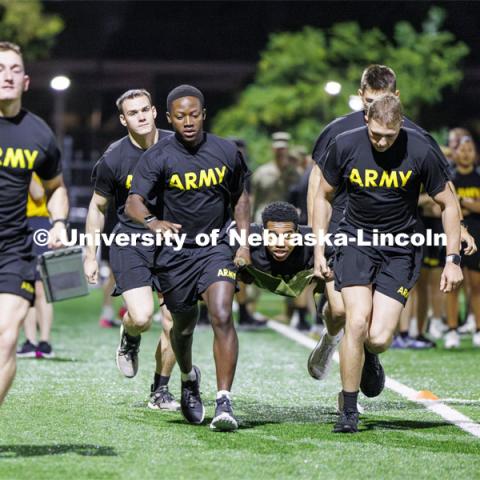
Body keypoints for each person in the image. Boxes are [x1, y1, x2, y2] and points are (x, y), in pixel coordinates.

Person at [306, 64, 476, 377]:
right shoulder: (338, 131)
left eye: (383, 100)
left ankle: (366, 354)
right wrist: (318, 239)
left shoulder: (415, 137)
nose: (376, 107)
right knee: (342, 310)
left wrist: (460, 229)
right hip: (344, 227)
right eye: (369, 102)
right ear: (360, 97)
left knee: (368, 323)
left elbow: (444, 191)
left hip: (392, 235)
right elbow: (318, 186)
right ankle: (331, 338)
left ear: (396, 97)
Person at [314, 94, 463, 433]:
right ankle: (348, 409)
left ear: (400, 126)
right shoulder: (345, 144)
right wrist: (320, 249)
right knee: (356, 320)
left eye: (390, 136)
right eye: (376, 134)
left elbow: (449, 205)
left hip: (400, 247)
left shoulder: (421, 148)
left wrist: (452, 260)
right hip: (355, 241)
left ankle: (371, 356)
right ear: (366, 120)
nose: (382, 142)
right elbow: (323, 195)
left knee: (378, 337)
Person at [125, 84, 251, 431]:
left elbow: (240, 196)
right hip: (175, 255)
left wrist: (241, 242)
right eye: (180, 116)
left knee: (222, 313)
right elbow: (133, 201)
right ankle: (187, 376)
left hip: (216, 247)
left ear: (204, 114)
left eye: (194, 114)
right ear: (169, 118)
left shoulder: (227, 151)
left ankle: (224, 401)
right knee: (181, 328)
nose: (188, 121)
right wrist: (152, 221)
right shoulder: (157, 156)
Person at [83, 89, 179, 410]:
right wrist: (89, 254)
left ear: (154, 112)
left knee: (174, 321)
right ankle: (130, 336)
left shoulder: (178, 146)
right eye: (132, 113)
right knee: (141, 317)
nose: (140, 116)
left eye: (144, 110)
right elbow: (97, 207)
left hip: (172, 243)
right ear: (124, 119)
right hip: (131, 240)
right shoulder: (113, 158)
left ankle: (160, 390)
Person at [0, 41, 68, 406]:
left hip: (13, 248)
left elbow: (56, 187)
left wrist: (58, 223)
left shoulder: (39, 134)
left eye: (13, 69)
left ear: (25, 82)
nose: (6, 76)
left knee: (7, 338)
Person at [445, 136, 480, 348]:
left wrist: (464, 203)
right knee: (452, 285)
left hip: (477, 234)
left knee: (476, 285)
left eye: (470, 149)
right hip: (452, 236)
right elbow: (441, 205)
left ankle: (477, 328)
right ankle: (451, 330)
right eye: (462, 149)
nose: (466, 153)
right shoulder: (450, 178)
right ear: (455, 153)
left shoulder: (478, 177)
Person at [16, 174, 55, 358]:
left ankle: (45, 342)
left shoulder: (34, 166)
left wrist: (27, 170)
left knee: (41, 287)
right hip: (17, 224)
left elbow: (38, 193)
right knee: (26, 286)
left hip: (38, 223)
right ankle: (30, 341)